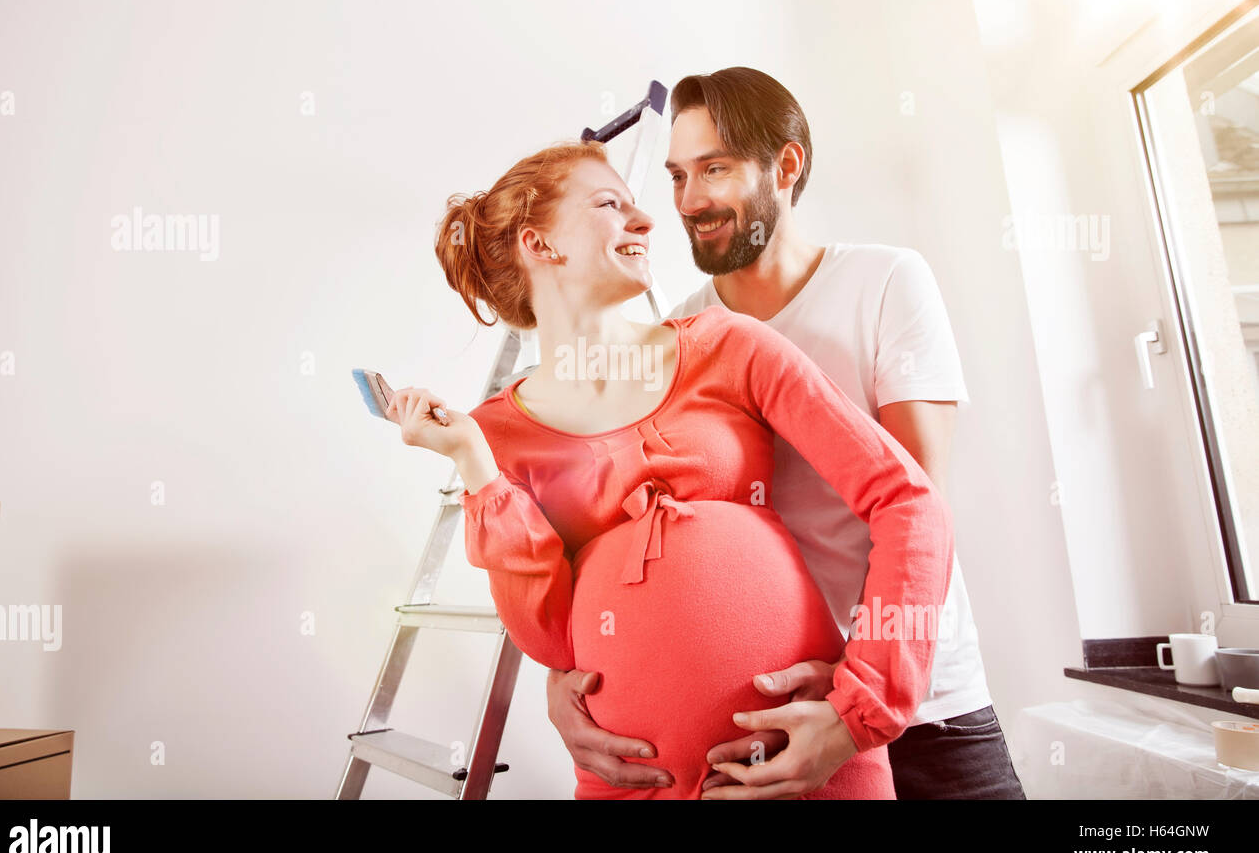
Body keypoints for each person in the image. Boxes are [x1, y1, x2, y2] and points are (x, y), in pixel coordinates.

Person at [377, 138, 956, 799]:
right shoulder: (497, 434)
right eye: (609, 204)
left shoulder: (727, 343)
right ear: (540, 246)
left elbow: (909, 502)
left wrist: (857, 716)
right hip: (628, 780)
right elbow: (552, 642)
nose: (650, 219)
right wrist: (474, 464)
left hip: (811, 766)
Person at [545, 66, 1026, 800]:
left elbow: (916, 505)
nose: (690, 200)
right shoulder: (679, 334)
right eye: (677, 175)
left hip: (923, 706)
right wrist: (564, 681)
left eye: (716, 169)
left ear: (786, 166)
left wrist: (860, 694)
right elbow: (622, 527)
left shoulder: (886, 282)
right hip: (771, 719)